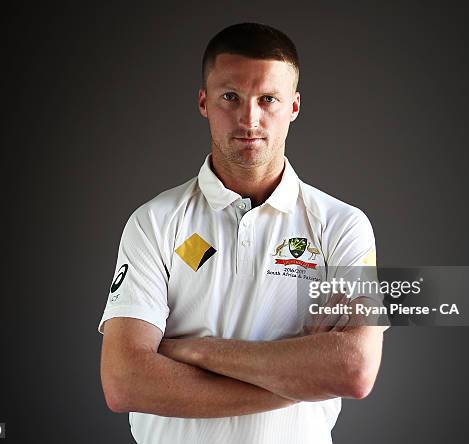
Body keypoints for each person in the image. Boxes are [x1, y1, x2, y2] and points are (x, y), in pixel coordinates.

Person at [98, 22, 388, 444]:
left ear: (294, 106)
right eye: (230, 97)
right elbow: (125, 382)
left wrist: (197, 351)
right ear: (204, 101)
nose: (249, 118)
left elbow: (355, 370)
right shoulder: (154, 223)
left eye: (268, 99)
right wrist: (301, 378)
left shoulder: (343, 226)